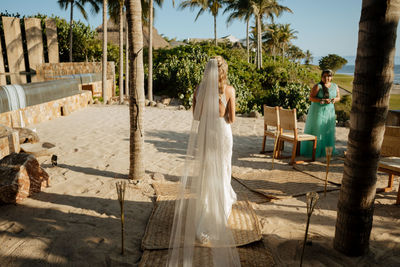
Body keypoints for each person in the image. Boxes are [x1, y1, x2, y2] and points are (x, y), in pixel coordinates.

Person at [167, 56, 240, 266]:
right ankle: (219, 204)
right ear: (224, 71)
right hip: (222, 133)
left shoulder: (198, 89)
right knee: (224, 168)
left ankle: (206, 205)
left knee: (208, 170)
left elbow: (196, 117)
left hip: (206, 133)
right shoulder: (229, 90)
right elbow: (231, 119)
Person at [300, 69, 340, 158]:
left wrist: (334, 100)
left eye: (329, 76)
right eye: (324, 76)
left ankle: (326, 151)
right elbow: (311, 98)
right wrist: (321, 100)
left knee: (328, 130)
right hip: (318, 111)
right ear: (321, 77)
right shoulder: (318, 86)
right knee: (317, 129)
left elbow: (338, 97)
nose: (327, 78)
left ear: (331, 77)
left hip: (330, 112)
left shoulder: (335, 86)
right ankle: (314, 151)